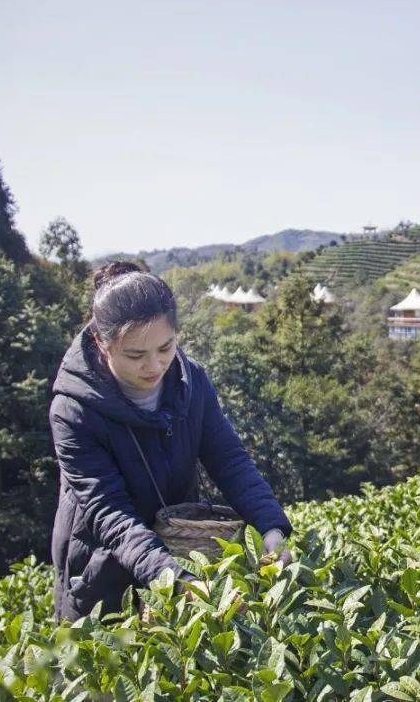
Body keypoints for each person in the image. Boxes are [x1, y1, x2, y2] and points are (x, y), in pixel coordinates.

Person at [49, 261, 292, 622]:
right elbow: (110, 513)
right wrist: (175, 580)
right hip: (104, 562)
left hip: (178, 548)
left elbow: (229, 459)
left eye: (166, 347)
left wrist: (271, 526)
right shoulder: (73, 411)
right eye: (135, 355)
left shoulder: (189, 381)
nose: (155, 366)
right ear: (102, 343)